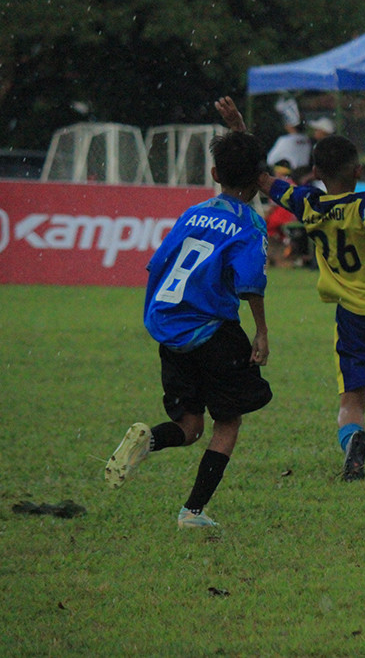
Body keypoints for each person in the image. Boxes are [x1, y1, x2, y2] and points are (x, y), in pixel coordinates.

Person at [217, 96, 365, 481]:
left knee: (352, 396)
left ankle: (354, 438)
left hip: (355, 314)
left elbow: (259, 175)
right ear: (358, 169)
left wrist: (240, 129)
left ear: (316, 171)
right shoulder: (364, 203)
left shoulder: (307, 203)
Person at [104, 127, 272, 529]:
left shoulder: (191, 214)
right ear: (257, 180)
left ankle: (151, 440)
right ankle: (191, 512)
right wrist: (261, 332)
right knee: (227, 422)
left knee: (190, 426)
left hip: (171, 329)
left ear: (215, 174)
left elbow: (158, 264)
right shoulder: (249, 224)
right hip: (213, 330)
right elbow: (251, 284)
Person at [265, 97, 311, 170]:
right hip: (303, 174)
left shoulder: (285, 141)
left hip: (292, 177)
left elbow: (270, 160)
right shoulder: (306, 139)